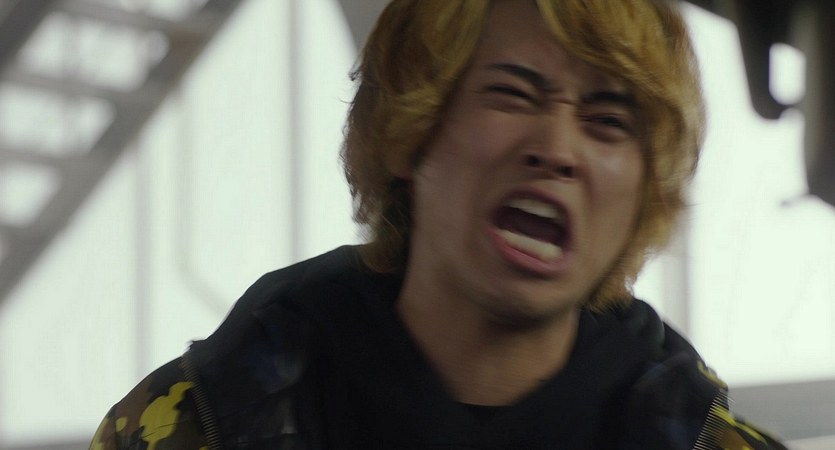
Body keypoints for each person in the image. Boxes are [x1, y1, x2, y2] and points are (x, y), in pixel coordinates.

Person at [91, 0, 788, 448]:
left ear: (641, 191)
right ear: (410, 132)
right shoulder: (187, 428)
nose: (557, 148)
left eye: (606, 121)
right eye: (511, 94)